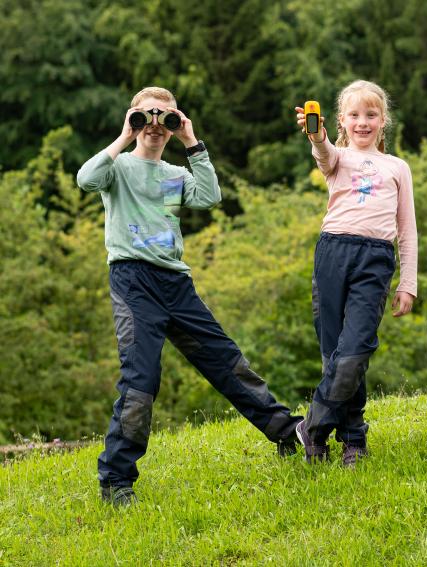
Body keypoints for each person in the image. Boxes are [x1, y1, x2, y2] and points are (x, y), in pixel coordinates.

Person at [77, 87, 302, 506]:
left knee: (225, 360)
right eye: (148, 117)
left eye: (167, 119)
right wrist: (126, 135)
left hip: (175, 284)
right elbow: (86, 179)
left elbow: (210, 196)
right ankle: (116, 480)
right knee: (141, 378)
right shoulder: (118, 167)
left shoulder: (176, 175)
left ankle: (288, 434)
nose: (156, 127)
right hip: (132, 281)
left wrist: (191, 142)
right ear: (134, 119)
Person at [293, 80, 417, 466]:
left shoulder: (397, 166)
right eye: (354, 115)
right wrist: (317, 137)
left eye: (371, 115)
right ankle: (352, 442)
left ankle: (311, 427)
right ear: (342, 121)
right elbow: (323, 153)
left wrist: (408, 283)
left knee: (356, 348)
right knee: (335, 352)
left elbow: (407, 227)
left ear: (384, 121)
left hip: (376, 259)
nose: (363, 122)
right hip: (333, 253)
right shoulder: (337, 158)